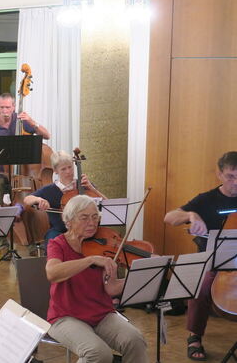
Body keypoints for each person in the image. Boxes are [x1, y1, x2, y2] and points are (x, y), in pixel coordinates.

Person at [46, 195, 147, 363]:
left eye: (95, 217)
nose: (92, 223)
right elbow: (52, 273)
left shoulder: (103, 244)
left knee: (135, 340)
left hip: (101, 314)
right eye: (84, 218)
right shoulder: (58, 244)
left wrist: (140, 277)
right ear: (68, 221)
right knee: (98, 353)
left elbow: (111, 288)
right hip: (65, 317)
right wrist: (89, 260)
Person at [163, 151, 237, 361]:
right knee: (200, 286)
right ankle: (194, 336)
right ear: (219, 174)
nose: (236, 182)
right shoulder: (207, 199)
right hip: (213, 260)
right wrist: (190, 215)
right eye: (231, 176)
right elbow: (169, 217)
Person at [0, 92, 51, 206]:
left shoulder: (22, 121)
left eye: (7, 107)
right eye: (1, 107)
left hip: (20, 173)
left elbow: (47, 135)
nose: (4, 110)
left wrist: (32, 122)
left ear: (13, 107)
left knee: (23, 204)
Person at [23, 150, 107, 245]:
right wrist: (39, 200)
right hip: (60, 231)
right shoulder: (49, 190)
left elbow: (107, 203)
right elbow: (27, 199)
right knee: (52, 240)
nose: (68, 172)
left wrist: (92, 189)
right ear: (55, 171)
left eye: (70, 167)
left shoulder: (84, 185)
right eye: (63, 169)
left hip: (87, 230)